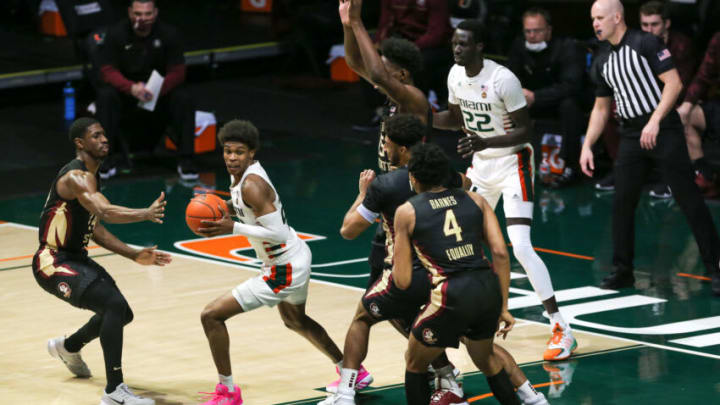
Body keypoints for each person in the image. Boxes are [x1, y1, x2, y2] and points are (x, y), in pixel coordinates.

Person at [321, 114, 547, 405]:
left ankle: (346, 393)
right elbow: (498, 249)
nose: (384, 149)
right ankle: (532, 398)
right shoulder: (461, 189)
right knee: (483, 352)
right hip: (475, 280)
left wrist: (363, 194)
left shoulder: (399, 198)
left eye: (387, 143)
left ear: (404, 156)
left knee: (381, 331)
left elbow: (349, 231)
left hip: (432, 280)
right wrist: (504, 305)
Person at [433, 19, 577, 361]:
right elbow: (454, 119)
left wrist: (486, 140)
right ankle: (467, 313)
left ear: (479, 46)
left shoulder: (503, 79)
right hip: (482, 166)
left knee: (522, 247)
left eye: (463, 43)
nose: (456, 48)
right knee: (458, 241)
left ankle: (561, 328)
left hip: (514, 164)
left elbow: (526, 131)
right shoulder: (455, 76)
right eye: (454, 42)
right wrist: (419, 112)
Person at [196, 120, 346, 405]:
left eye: (239, 152)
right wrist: (220, 208)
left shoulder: (253, 184)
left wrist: (234, 228)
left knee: (211, 315)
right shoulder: (239, 178)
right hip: (290, 259)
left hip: (284, 268)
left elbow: (276, 232)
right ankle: (350, 371)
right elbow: (244, 206)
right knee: (295, 320)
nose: (231, 157)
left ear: (252, 153)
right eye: (227, 151)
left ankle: (228, 393)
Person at [580, 0, 720, 296]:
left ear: (617, 17)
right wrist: (588, 144)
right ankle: (623, 271)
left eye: (600, 18)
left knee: (689, 199)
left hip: (663, 128)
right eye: (593, 18)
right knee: (622, 202)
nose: (595, 24)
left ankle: (714, 270)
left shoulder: (645, 42)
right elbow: (601, 108)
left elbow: (673, 83)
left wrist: (655, 121)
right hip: (631, 133)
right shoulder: (603, 56)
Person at [33, 117, 171, 405]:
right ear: (80, 143)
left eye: (105, 135)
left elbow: (96, 228)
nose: (104, 139)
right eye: (96, 136)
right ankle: (114, 391)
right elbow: (105, 211)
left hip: (75, 258)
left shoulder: (90, 178)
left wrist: (134, 254)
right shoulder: (76, 177)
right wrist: (144, 213)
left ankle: (68, 347)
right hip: (52, 260)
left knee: (122, 314)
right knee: (113, 306)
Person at [393, 143, 520, 405]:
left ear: (413, 178)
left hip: (451, 293)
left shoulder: (407, 211)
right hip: (486, 289)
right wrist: (504, 306)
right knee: (487, 360)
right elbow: (500, 254)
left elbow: (402, 280)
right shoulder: (476, 200)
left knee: (415, 362)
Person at [341, 0, 431, 291]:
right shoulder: (396, 95)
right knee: (377, 287)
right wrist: (346, 25)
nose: (378, 74)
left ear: (401, 75)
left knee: (388, 291)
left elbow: (377, 74)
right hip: (392, 189)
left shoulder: (413, 98)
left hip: (410, 191)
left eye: (386, 68)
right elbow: (356, 63)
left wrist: (357, 22)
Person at [95, 0, 198, 181]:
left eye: (147, 14)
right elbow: (107, 71)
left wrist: (156, 90)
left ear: (155, 13)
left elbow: (178, 72)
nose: (142, 18)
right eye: (138, 14)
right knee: (105, 96)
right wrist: (131, 88)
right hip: (127, 93)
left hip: (159, 94)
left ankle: (186, 160)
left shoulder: (170, 34)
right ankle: (105, 160)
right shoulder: (115, 34)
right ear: (130, 13)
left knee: (184, 97)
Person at [506, 7, 586, 188]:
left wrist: (537, 96)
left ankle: (569, 166)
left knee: (570, 105)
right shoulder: (519, 46)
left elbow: (572, 85)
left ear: (548, 30)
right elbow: (508, 77)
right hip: (530, 100)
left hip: (558, 101)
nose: (532, 35)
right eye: (528, 31)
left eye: (537, 30)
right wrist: (519, 93)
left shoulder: (567, 47)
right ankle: (507, 160)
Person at [639, 0, 698, 198]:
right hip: (647, 99)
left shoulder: (681, 45)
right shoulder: (637, 44)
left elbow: (682, 83)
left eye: (654, 24)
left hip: (676, 99)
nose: (649, 30)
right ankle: (629, 172)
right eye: (645, 25)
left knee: (670, 120)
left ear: (667, 24)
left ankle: (672, 179)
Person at [375, 0, 453, 106]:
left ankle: (419, 107)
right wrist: (380, 44)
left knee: (420, 62)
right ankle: (379, 109)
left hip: (433, 46)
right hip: (401, 41)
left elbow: (437, 34)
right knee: (371, 56)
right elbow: (385, 24)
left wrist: (408, 50)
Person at [677, 31, 720, 195]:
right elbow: (704, 75)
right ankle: (705, 175)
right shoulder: (718, 39)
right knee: (684, 117)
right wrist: (687, 105)